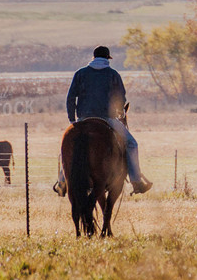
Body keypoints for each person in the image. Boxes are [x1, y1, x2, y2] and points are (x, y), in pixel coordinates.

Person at [55, 46, 153, 195]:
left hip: (83, 119)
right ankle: (136, 182)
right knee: (132, 144)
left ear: (93, 58)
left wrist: (72, 120)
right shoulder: (113, 74)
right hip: (107, 118)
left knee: (71, 148)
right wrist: (119, 111)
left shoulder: (80, 73)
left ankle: (62, 182)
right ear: (108, 58)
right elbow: (121, 97)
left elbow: (70, 97)